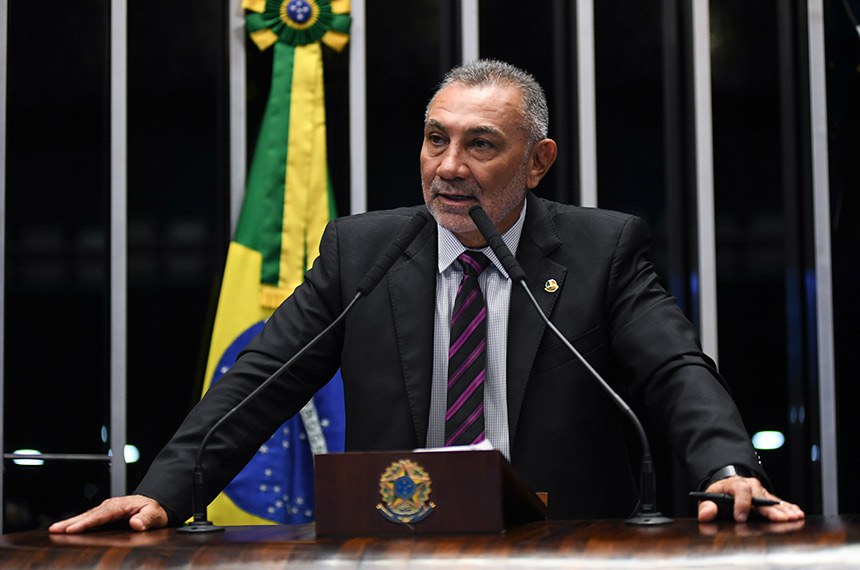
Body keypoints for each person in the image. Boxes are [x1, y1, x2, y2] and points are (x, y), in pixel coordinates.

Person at [50, 60, 803, 534]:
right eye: (435, 139)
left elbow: (674, 369)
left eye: (480, 145)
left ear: (537, 162)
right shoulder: (363, 252)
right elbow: (257, 383)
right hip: (395, 543)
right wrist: (163, 493)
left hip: (564, 548)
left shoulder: (599, 250)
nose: (448, 166)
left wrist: (726, 468)